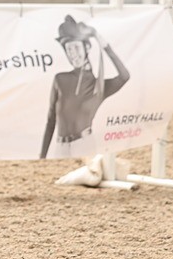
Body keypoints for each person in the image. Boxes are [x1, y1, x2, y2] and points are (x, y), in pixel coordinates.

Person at [39, 15, 130, 158]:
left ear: (87, 47)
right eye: (68, 49)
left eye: (76, 47)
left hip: (84, 146)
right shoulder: (60, 79)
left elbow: (124, 76)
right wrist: (42, 156)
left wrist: (98, 38)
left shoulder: (99, 86)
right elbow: (51, 120)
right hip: (60, 148)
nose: (73, 54)